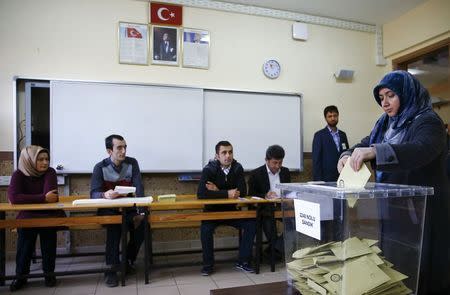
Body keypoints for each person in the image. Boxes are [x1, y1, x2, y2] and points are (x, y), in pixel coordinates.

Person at [337, 70, 449, 295]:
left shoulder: (428, 121)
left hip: (425, 212)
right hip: (396, 211)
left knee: (424, 273)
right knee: (397, 266)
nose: (385, 104)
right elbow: (365, 143)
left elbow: (421, 150)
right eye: (381, 98)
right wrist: (346, 155)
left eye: (391, 96)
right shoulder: (385, 124)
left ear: (407, 94)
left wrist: (375, 152)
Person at [90, 134, 146, 288]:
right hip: (109, 211)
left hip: (128, 210)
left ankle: (126, 261)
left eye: (125, 147)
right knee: (115, 227)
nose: (123, 151)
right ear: (109, 151)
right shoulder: (100, 167)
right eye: (119, 148)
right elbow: (93, 193)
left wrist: (141, 211)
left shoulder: (132, 163)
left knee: (143, 226)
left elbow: (139, 188)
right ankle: (111, 270)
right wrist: (104, 194)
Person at [7, 145, 64, 291]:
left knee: (49, 245)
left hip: (48, 215)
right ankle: (20, 276)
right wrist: (42, 198)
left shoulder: (50, 172)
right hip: (27, 216)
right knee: (24, 246)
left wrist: (31, 198)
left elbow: (51, 197)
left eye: (47, 159)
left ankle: (49, 274)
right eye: (40, 159)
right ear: (29, 160)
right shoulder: (18, 174)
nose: (45, 163)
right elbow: (14, 198)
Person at [197, 141, 256, 276]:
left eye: (230, 152)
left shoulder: (237, 168)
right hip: (212, 212)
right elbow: (201, 194)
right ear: (217, 156)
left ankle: (243, 261)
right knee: (205, 229)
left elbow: (243, 191)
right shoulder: (209, 169)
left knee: (251, 224)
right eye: (224, 152)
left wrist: (217, 190)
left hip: (232, 211)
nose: (228, 156)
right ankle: (208, 265)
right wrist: (227, 193)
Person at [248, 145, 290, 258]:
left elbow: (289, 190)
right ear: (266, 160)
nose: (277, 166)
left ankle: (274, 249)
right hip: (265, 209)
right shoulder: (256, 174)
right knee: (268, 220)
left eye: (280, 162)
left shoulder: (285, 172)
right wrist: (265, 195)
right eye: (274, 163)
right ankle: (275, 251)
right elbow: (250, 194)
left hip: (283, 206)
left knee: (296, 222)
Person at [312, 105, 349, 181]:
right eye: (330, 116)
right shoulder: (319, 135)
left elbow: (346, 155)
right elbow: (316, 160)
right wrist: (318, 181)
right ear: (325, 118)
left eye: (335, 116)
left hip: (342, 177)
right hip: (326, 179)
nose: (333, 118)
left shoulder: (343, 135)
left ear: (338, 116)